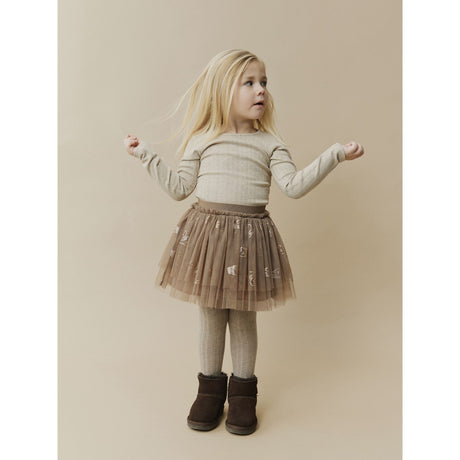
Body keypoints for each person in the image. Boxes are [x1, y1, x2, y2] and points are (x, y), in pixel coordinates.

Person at [123, 49, 364, 435]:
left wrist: (335, 154)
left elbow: (293, 186)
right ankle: (209, 390)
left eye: (263, 82)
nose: (261, 90)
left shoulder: (270, 144)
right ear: (222, 90)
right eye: (249, 82)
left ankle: (242, 394)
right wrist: (146, 155)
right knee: (210, 313)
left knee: (243, 316)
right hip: (208, 238)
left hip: (249, 240)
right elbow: (179, 188)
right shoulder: (202, 139)